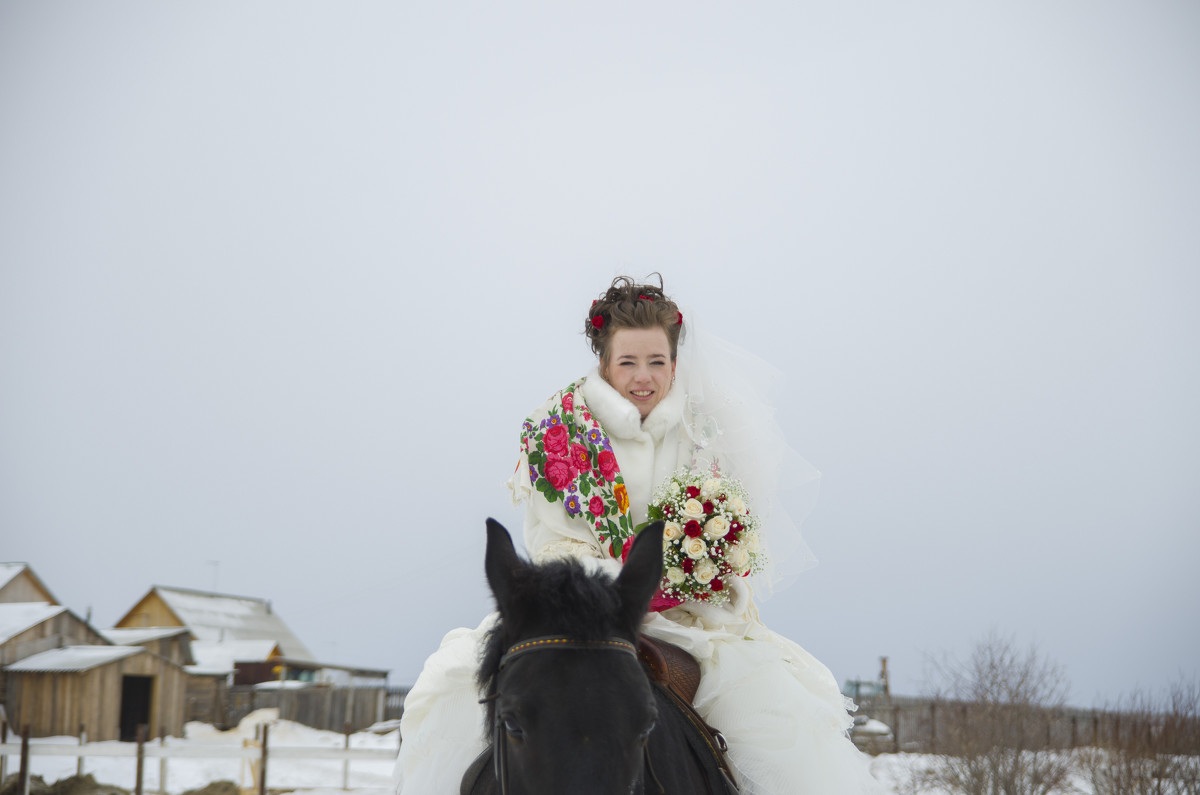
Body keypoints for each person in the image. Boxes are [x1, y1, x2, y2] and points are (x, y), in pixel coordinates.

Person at [394, 275, 884, 794]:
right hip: (580, 611)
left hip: (693, 619)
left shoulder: (712, 427)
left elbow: (736, 541)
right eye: (628, 362)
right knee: (447, 685)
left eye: (657, 362)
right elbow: (558, 544)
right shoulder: (559, 429)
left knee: (782, 719)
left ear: (675, 362)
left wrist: (699, 577)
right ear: (605, 362)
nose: (643, 377)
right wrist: (628, 585)